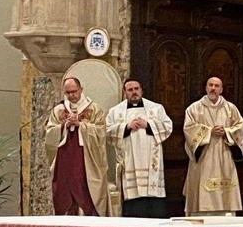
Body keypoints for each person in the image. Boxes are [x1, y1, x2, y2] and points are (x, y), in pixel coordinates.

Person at [105, 78, 173, 218]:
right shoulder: (115, 111)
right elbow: (107, 131)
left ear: (141, 90)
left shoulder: (156, 108)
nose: (134, 92)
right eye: (130, 90)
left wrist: (148, 125)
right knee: (134, 206)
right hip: (130, 161)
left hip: (151, 163)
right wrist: (126, 126)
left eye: (136, 89)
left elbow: (168, 126)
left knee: (154, 205)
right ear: (124, 93)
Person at [182, 76, 243, 216]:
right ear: (206, 87)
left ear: (221, 89)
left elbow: (241, 126)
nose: (213, 88)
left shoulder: (230, 108)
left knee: (225, 191)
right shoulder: (194, 108)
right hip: (204, 154)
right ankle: (201, 213)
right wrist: (209, 132)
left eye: (217, 86)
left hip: (224, 154)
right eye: (210, 85)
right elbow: (188, 129)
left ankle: (225, 211)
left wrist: (227, 132)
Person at [45, 76, 109, 216]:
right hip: (64, 157)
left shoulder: (93, 108)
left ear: (81, 90)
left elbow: (101, 131)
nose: (71, 95)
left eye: (74, 91)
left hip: (85, 157)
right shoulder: (58, 110)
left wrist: (81, 125)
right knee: (62, 191)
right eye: (68, 93)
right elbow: (49, 133)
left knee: (83, 187)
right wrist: (64, 126)